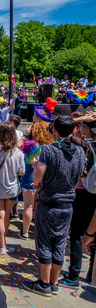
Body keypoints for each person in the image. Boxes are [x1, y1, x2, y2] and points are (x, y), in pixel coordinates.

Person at [23, 116, 85, 297]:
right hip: (67, 204)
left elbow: (37, 177)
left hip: (49, 202)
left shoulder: (49, 150)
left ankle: (44, 283)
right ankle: (54, 283)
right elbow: (79, 174)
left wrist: (36, 166)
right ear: (73, 130)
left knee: (44, 242)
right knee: (59, 242)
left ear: (55, 130)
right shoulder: (80, 151)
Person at [62, 119, 96, 287]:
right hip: (93, 194)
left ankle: (74, 275)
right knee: (93, 231)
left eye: (83, 125)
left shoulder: (87, 145)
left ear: (88, 127)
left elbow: (65, 132)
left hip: (84, 193)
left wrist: (75, 120)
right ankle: (91, 274)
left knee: (76, 233)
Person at [0, 122, 25, 255]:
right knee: (6, 216)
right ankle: (1, 241)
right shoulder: (18, 152)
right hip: (12, 188)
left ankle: (2, 244)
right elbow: (21, 172)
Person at [19, 122, 53, 238]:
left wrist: (26, 135)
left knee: (28, 206)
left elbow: (18, 146)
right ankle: (38, 229)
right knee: (38, 205)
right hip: (44, 178)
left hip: (30, 176)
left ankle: (25, 231)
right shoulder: (48, 146)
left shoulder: (32, 144)